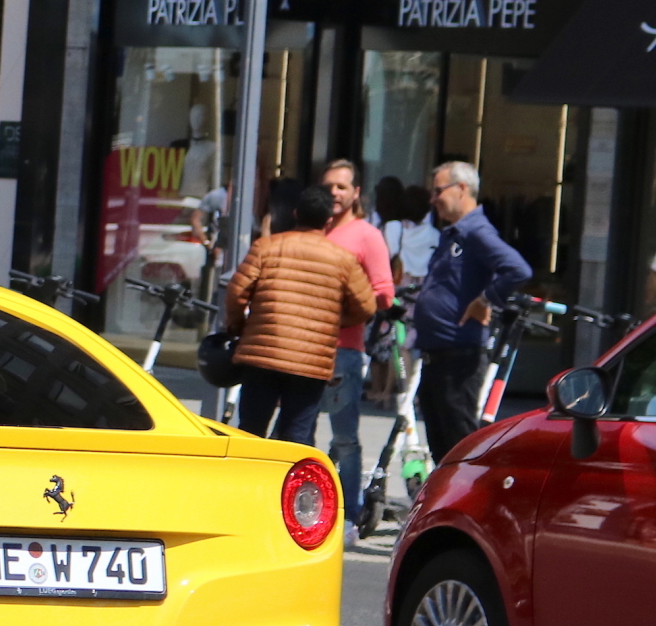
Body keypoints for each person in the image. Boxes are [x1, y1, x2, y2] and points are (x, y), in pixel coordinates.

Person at [222, 185, 375, 446]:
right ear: (328, 220)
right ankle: (288, 486)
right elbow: (367, 307)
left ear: (295, 213)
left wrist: (239, 326)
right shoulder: (343, 260)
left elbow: (236, 293)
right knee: (297, 437)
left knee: (250, 431)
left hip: (262, 354)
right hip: (311, 361)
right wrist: (332, 323)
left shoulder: (267, 248)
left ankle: (248, 483)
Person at [412, 160, 532, 461]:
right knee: (441, 449)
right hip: (437, 356)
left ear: (461, 188)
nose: (433, 199)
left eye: (438, 190)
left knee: (459, 449)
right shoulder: (453, 234)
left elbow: (517, 269)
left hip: (458, 360)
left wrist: (486, 299)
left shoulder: (475, 231)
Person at [317, 159, 396, 521]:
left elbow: (384, 294)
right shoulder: (315, 229)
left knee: (344, 439)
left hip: (344, 351)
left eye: (341, 187)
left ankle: (349, 514)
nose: (334, 193)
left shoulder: (367, 235)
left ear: (355, 192)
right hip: (304, 349)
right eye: (329, 186)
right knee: (296, 435)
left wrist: (348, 310)